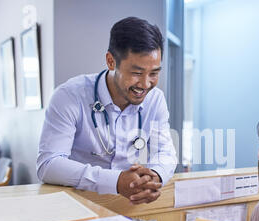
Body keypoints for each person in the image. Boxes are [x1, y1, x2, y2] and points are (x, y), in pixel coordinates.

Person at [37, 17, 177, 205]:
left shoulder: (156, 99)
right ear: (111, 61)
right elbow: (49, 164)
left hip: (130, 205)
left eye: (154, 73)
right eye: (136, 73)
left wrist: (154, 176)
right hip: (78, 205)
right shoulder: (69, 96)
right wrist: (116, 181)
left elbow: (166, 152)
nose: (145, 84)